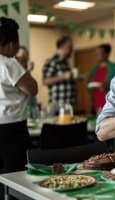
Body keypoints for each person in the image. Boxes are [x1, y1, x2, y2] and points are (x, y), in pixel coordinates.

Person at [0, 16, 38, 194]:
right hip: (11, 129)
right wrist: (21, 65)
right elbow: (32, 88)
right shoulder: (9, 64)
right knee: (16, 177)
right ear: (11, 45)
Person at [87, 44, 115, 114]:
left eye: (98, 54)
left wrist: (108, 86)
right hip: (95, 105)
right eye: (95, 54)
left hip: (110, 105)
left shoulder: (114, 68)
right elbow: (87, 86)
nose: (96, 56)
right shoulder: (93, 70)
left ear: (105, 55)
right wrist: (90, 88)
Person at [42, 36, 76, 108]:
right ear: (62, 46)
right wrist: (63, 76)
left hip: (69, 105)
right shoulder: (52, 61)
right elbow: (45, 81)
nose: (71, 49)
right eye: (69, 47)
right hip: (57, 106)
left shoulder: (66, 63)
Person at [16, 46, 39, 112]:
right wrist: (27, 70)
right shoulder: (15, 70)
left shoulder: (25, 69)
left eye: (27, 54)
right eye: (23, 54)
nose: (26, 56)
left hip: (31, 102)